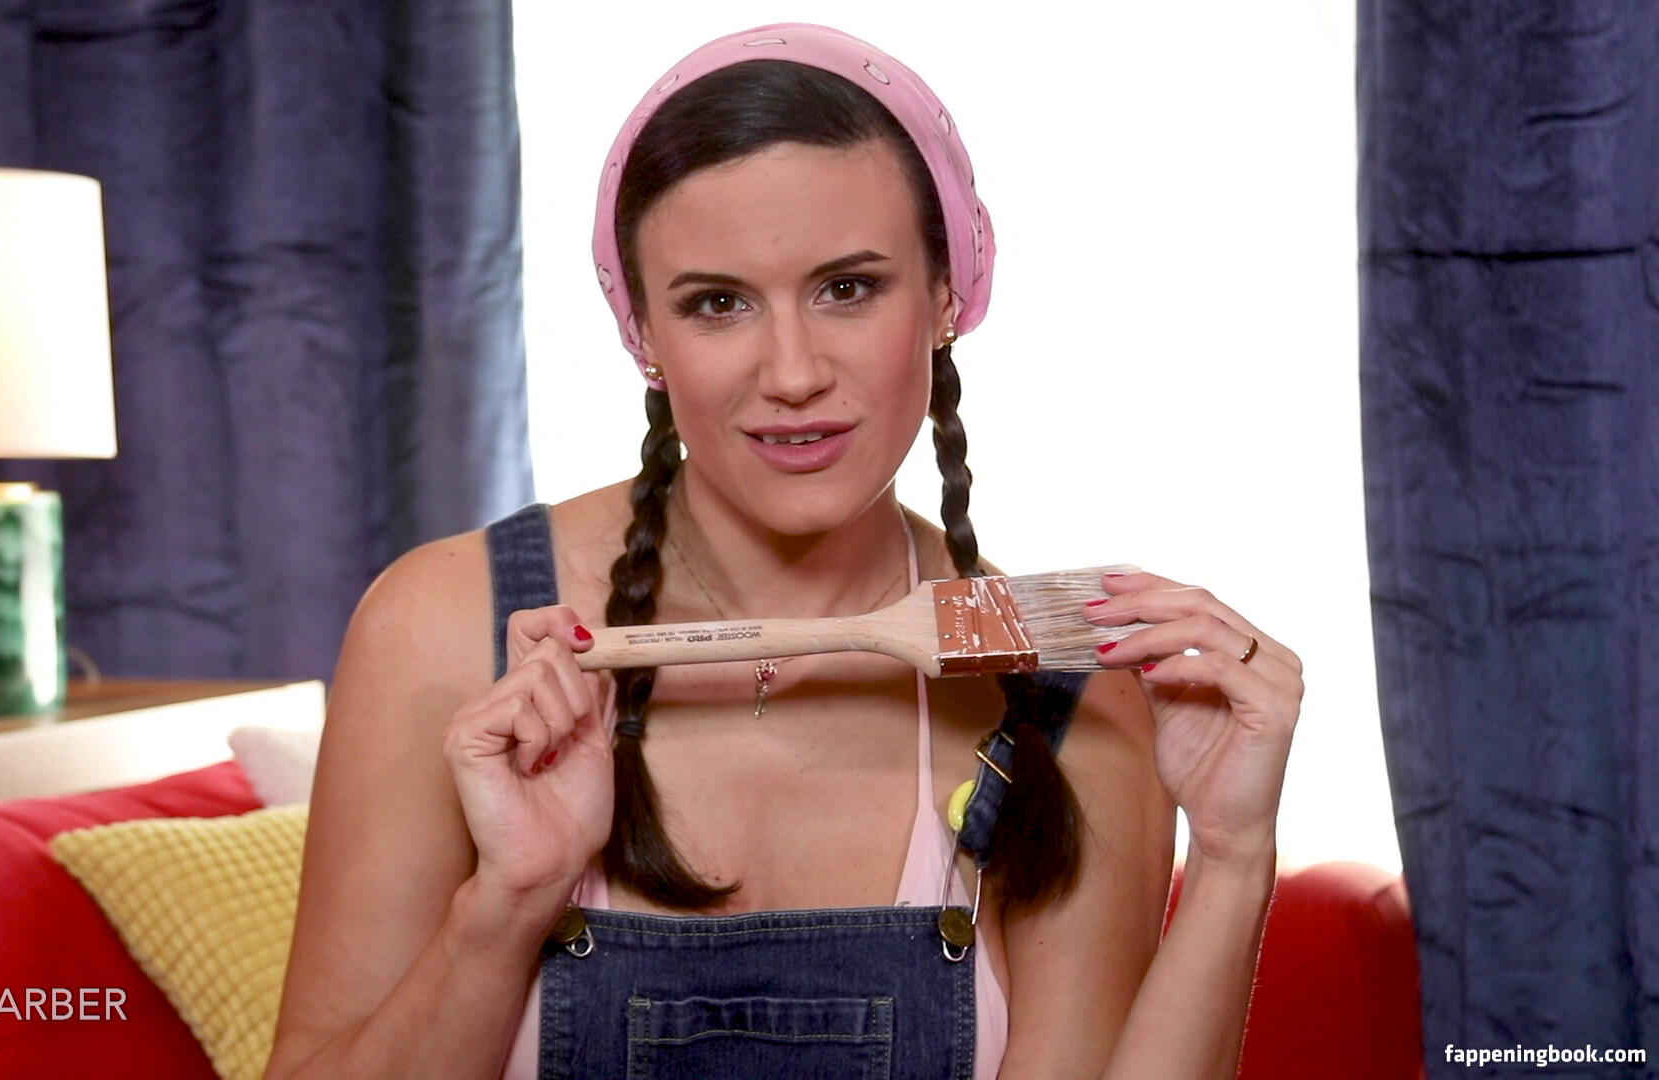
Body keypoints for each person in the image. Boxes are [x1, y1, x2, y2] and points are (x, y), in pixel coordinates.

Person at [263, 23, 1302, 1080]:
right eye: (717, 304)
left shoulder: (1064, 690)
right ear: (642, 335)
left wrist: (1231, 859)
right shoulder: (443, 630)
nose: (793, 374)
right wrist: (507, 907)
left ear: (949, 295)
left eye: (847, 288)